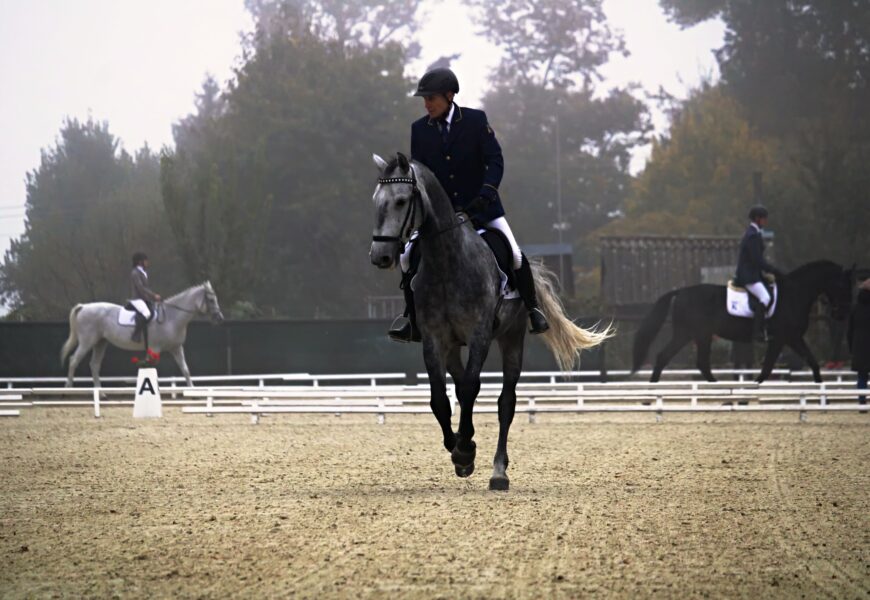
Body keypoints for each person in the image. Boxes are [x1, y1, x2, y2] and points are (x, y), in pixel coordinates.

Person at [388, 67, 549, 343]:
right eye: (424, 100)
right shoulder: (419, 129)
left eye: (431, 99)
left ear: (449, 96)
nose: (427, 104)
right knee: (405, 257)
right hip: (440, 217)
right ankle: (411, 318)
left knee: (515, 254)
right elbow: (422, 174)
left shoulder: (475, 121)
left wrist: (486, 193)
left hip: (482, 208)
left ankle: (533, 309)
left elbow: (494, 160)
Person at [734, 205, 783, 342]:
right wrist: (773, 270)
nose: (765, 222)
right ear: (757, 219)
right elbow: (757, 260)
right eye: (764, 219)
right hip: (749, 276)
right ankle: (758, 332)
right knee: (765, 298)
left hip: (753, 274)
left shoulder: (753, 234)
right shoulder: (752, 236)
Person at [129, 252, 162, 358]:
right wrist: (153, 296)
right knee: (147, 313)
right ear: (140, 262)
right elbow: (141, 288)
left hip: (144, 299)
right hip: (137, 299)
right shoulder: (135, 273)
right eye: (145, 260)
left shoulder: (143, 272)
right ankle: (136, 335)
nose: (147, 262)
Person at [847, 279, 870, 404]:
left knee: (862, 377)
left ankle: (862, 402)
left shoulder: (855, 309)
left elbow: (849, 332)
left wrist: (852, 349)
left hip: (859, 348)